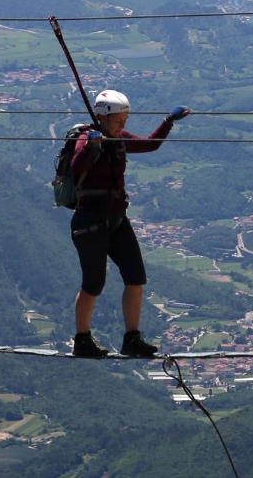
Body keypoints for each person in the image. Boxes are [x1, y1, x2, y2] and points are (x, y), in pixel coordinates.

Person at [68, 89, 189, 358]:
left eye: (124, 121)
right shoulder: (87, 138)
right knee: (93, 283)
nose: (122, 126)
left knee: (136, 277)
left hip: (116, 219)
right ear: (102, 118)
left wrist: (168, 122)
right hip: (90, 220)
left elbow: (148, 144)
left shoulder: (119, 139)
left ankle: (132, 339)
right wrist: (91, 146)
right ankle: (82, 340)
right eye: (118, 121)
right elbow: (77, 166)